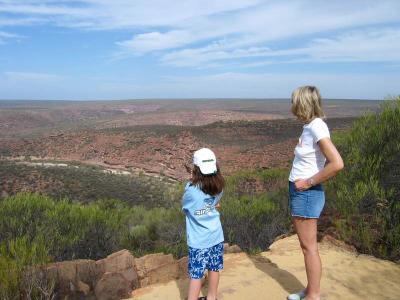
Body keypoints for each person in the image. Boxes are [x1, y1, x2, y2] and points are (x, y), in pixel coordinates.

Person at [287, 86, 344, 300]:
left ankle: (313, 295)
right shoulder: (309, 126)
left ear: (302, 103)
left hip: (306, 194)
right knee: (306, 247)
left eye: (294, 102)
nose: (292, 106)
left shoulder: (317, 127)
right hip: (302, 192)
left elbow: (337, 163)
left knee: (309, 247)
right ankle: (311, 290)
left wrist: (308, 182)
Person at [182, 148, 225, 300]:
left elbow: (186, 208)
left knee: (196, 273)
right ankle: (212, 297)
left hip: (199, 241)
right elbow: (214, 203)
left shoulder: (191, 190)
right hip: (216, 236)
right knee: (214, 267)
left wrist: (190, 181)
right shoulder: (219, 186)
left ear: (196, 169)